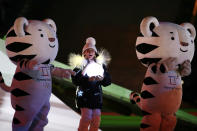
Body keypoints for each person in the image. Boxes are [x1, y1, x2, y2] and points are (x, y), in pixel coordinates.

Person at [69, 37, 111, 131]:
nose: (90, 52)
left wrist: (103, 78)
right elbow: (75, 81)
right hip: (84, 97)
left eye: (91, 50)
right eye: (87, 51)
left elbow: (108, 81)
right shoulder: (79, 66)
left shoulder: (100, 66)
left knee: (96, 120)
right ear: (83, 53)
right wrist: (88, 79)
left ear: (95, 53)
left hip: (96, 98)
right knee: (87, 117)